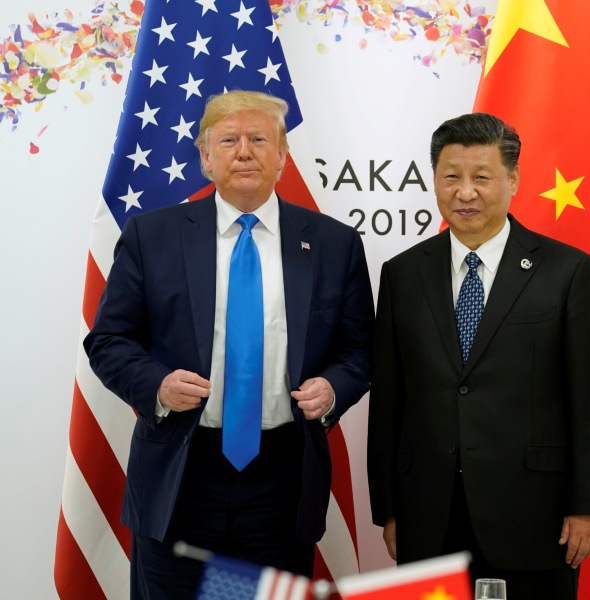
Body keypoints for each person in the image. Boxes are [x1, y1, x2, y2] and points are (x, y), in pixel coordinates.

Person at [84, 90, 374, 599]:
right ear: (205, 157)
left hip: (280, 484)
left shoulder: (333, 244)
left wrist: (333, 388)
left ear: (283, 157)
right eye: (229, 140)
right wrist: (156, 384)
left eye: (260, 139)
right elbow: (108, 339)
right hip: (181, 474)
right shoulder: (152, 236)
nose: (245, 151)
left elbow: (359, 350)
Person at [366, 112, 590, 599]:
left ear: (514, 179)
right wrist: (391, 509)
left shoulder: (567, 271)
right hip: (429, 515)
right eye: (451, 177)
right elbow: (389, 402)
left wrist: (589, 505)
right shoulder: (401, 275)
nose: (465, 192)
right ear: (435, 180)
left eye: (481, 177)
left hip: (535, 515)